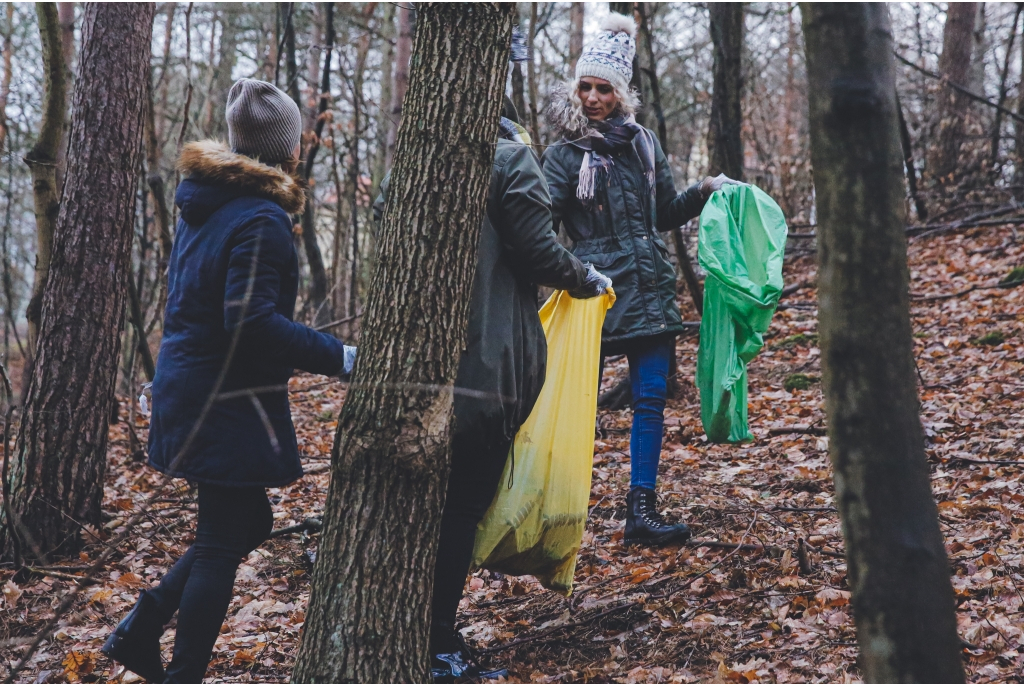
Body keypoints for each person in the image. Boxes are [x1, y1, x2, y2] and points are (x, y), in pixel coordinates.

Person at [102, 79, 356, 683]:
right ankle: (179, 671)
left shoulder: (207, 202)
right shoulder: (261, 218)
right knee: (222, 537)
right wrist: (342, 357)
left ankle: (141, 627)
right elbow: (251, 323)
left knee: (251, 522)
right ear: (288, 150)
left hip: (190, 385)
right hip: (219, 397)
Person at [374, 98, 610, 681]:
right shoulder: (510, 159)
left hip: (406, 367)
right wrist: (586, 278)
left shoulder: (410, 165)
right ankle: (437, 645)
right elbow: (536, 250)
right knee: (459, 509)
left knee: (415, 507)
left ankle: (410, 633)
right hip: (483, 370)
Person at [542, 15, 743, 547]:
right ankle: (554, 511)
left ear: (620, 94)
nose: (591, 98)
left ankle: (642, 510)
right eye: (584, 86)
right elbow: (540, 226)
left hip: (649, 287)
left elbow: (663, 214)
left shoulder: (643, 144)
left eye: (603, 88)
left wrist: (704, 189)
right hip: (595, 293)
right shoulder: (563, 155)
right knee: (569, 402)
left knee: (651, 396)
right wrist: (573, 273)